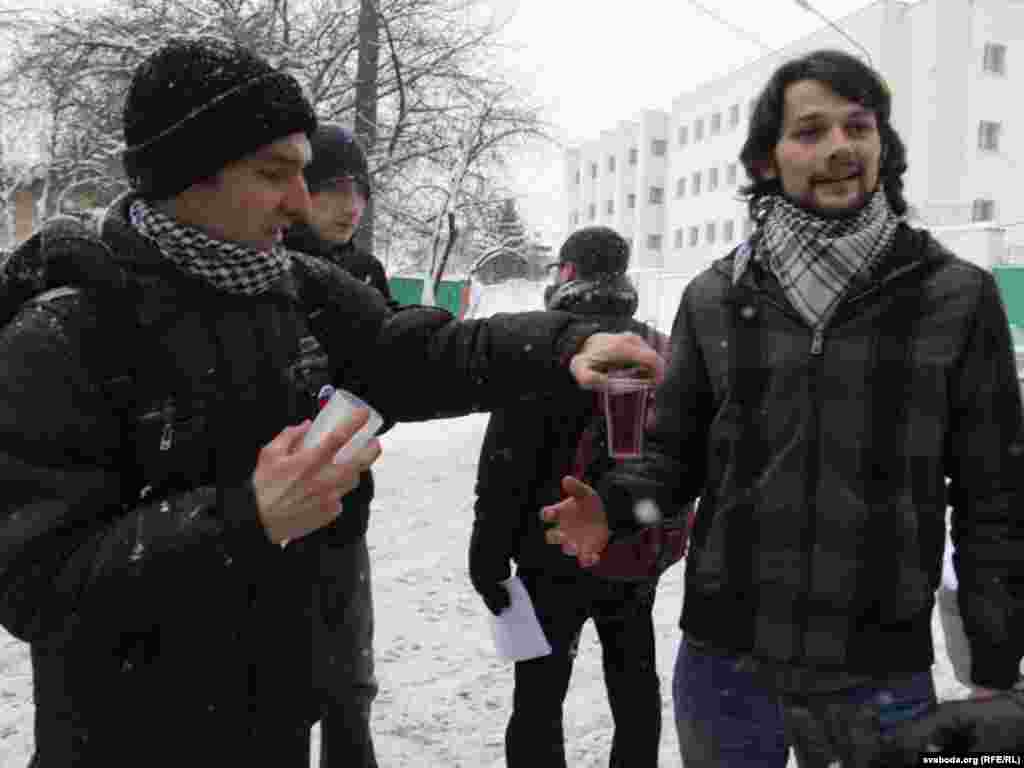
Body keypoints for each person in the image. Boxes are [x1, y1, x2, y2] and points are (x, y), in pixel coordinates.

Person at [0, 37, 662, 767]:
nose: (300, 200)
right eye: (274, 173)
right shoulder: (65, 330)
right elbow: (37, 584)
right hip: (124, 740)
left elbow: (415, 351)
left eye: (304, 173)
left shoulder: (293, 286)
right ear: (186, 175)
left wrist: (563, 343)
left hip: (275, 718)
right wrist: (244, 517)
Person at [541, 49, 1024, 768]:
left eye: (858, 127)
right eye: (810, 131)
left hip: (880, 671)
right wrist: (613, 508)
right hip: (726, 667)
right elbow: (675, 452)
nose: (839, 147)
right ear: (768, 159)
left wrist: (995, 659)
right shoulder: (714, 296)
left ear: (882, 146)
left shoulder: (954, 296)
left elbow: (995, 495)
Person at [470, 226, 670, 768]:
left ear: (566, 273)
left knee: (538, 692)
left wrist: (488, 551)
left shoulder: (543, 344)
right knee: (634, 685)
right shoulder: (650, 344)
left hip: (548, 549)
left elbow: (505, 463)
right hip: (630, 546)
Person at [283, 123, 386, 768]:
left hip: (345, 511)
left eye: (360, 191)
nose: (350, 206)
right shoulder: (261, 263)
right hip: (265, 516)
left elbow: (390, 385)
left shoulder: (366, 272)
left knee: (351, 686)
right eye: (333, 189)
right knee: (281, 693)